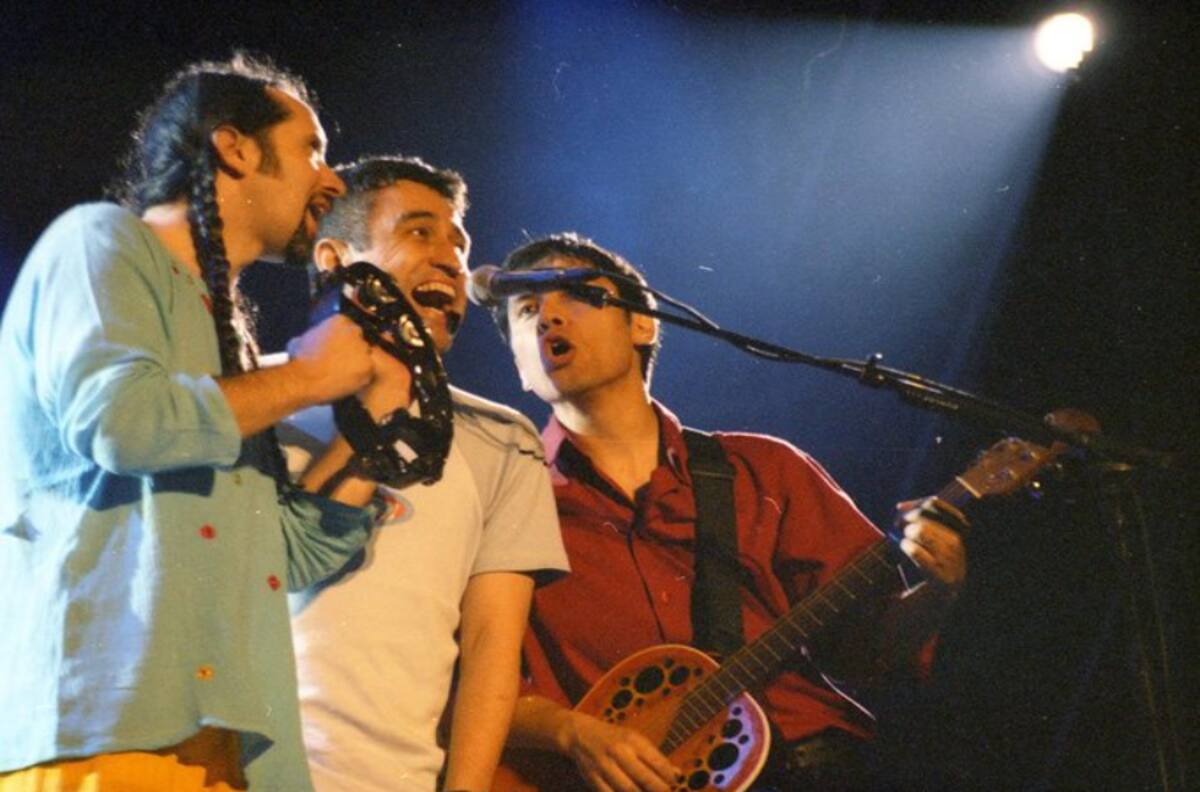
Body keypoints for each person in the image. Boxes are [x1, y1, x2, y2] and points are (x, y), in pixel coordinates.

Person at [0, 56, 398, 791]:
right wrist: (309, 376)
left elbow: (282, 558)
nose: (333, 180)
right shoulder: (100, 243)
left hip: (231, 746)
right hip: (107, 733)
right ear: (234, 148)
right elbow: (123, 421)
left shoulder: (230, 342)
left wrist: (374, 428)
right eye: (312, 149)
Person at [486, 233, 968, 791]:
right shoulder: (506, 506)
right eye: (525, 312)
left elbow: (865, 654)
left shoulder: (764, 470)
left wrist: (938, 591)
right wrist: (568, 731)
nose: (547, 319)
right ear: (519, 365)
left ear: (642, 323)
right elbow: (461, 681)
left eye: (572, 295)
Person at [281, 156, 568, 792]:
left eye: (459, 245)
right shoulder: (254, 399)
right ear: (333, 258)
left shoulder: (504, 441)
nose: (451, 262)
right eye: (419, 233)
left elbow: (493, 647)